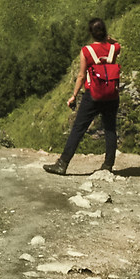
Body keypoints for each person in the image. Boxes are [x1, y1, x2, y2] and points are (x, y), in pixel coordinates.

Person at [43, 18, 121, 175]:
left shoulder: (87, 51)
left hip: (93, 95)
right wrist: (109, 38)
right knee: (110, 129)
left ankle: (62, 164)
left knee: (78, 128)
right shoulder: (114, 48)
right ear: (105, 32)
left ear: (90, 33)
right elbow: (116, 42)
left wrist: (74, 95)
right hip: (112, 95)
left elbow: (81, 75)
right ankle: (108, 165)